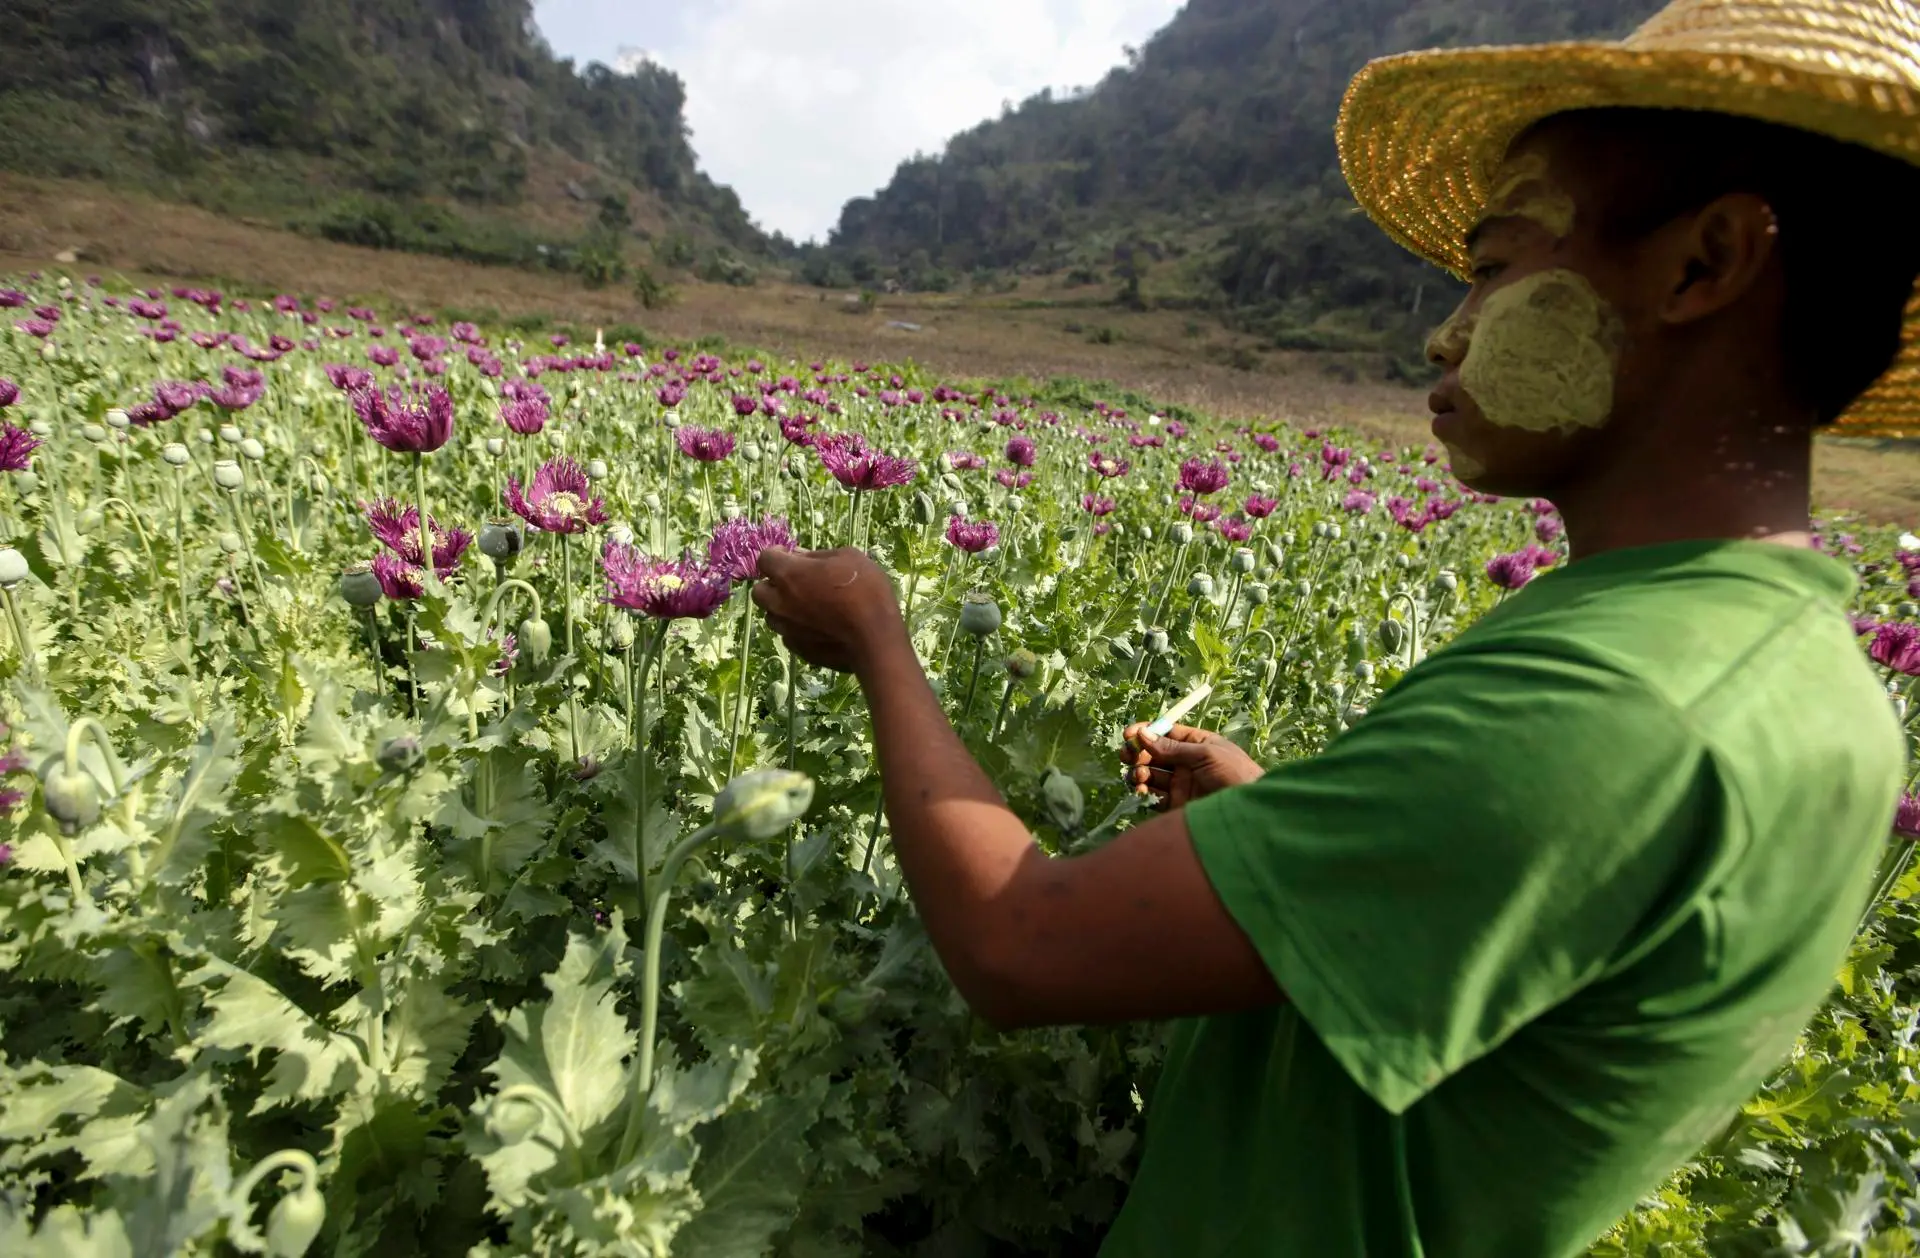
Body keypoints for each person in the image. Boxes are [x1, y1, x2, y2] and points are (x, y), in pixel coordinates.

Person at [750, 0, 1919, 1252]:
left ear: (1705, 264)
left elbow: (1018, 943)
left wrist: (876, 635)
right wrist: (1284, 824)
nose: (1445, 330)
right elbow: (1528, 952)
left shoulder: (1623, 703)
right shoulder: (1801, 682)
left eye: (1495, 267)